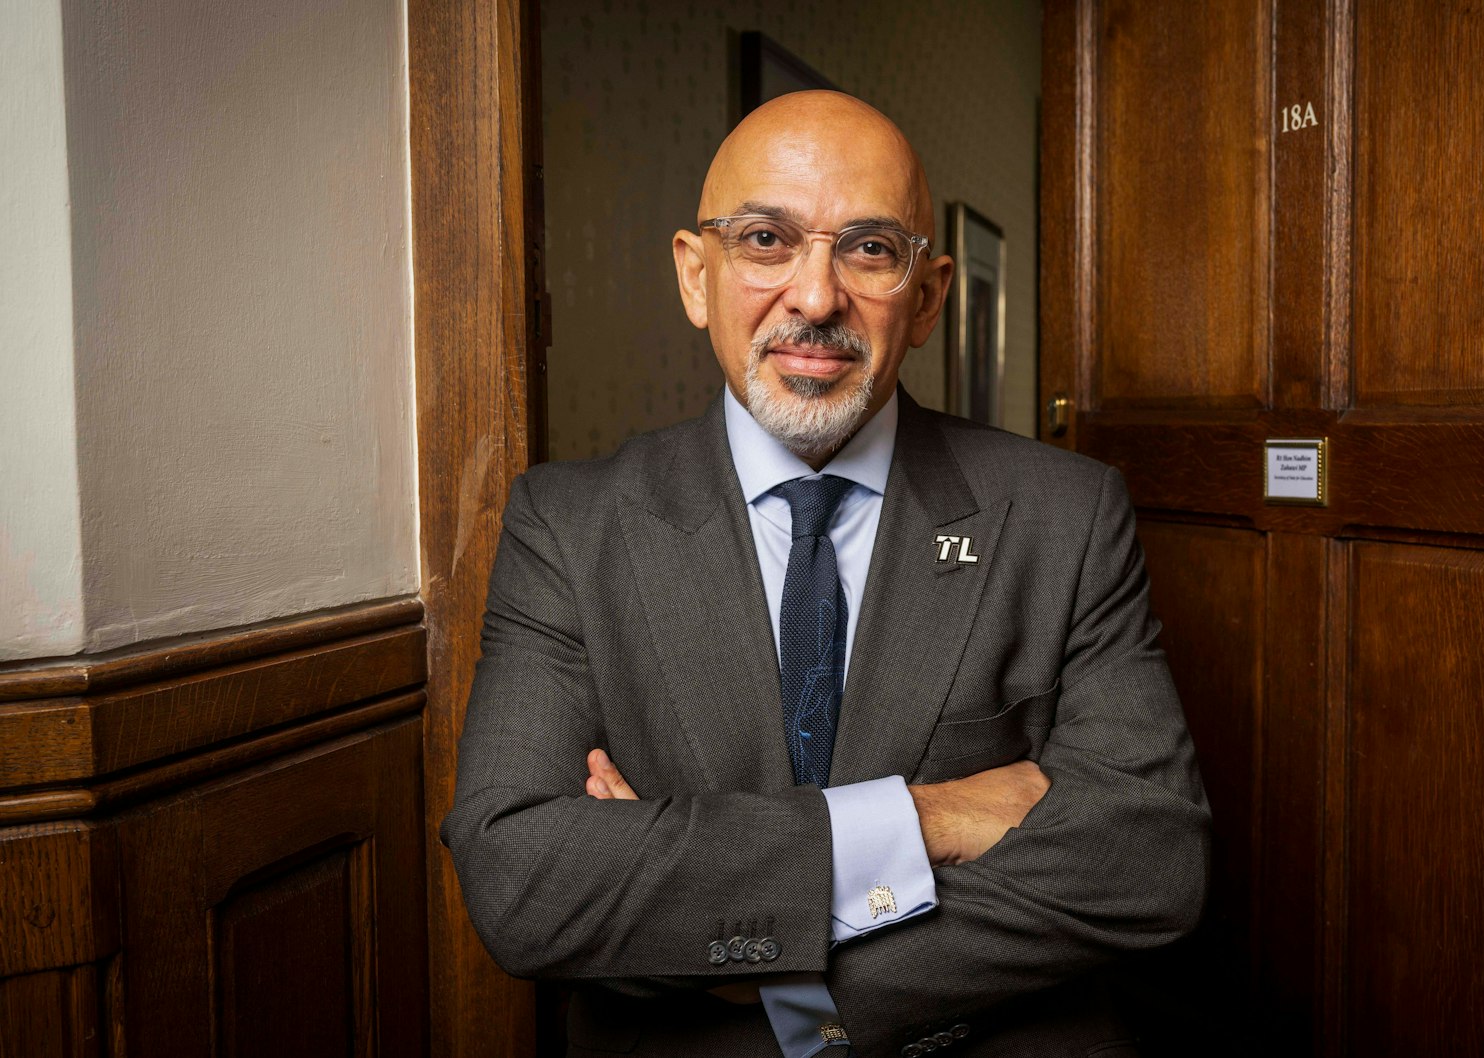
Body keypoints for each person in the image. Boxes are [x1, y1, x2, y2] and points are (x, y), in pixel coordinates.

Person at [443, 90, 1209, 1058]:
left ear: (927, 297)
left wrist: (763, 965)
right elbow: (522, 878)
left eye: (869, 249)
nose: (815, 298)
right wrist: (927, 817)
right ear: (695, 275)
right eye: (766, 239)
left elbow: (1149, 857)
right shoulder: (566, 525)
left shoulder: (1067, 513)